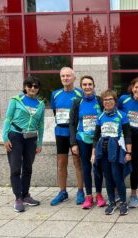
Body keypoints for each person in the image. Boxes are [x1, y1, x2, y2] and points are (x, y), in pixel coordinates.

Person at [2, 76, 45, 212]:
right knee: (15, 168)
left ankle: (26, 195)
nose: (33, 88)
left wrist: (39, 143)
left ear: (38, 89)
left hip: (31, 138)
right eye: (30, 85)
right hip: (15, 136)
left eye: (35, 86)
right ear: (25, 87)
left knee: (28, 167)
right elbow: (8, 119)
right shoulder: (16, 100)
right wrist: (4, 138)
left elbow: (41, 125)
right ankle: (18, 198)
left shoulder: (41, 105)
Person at [91, 89, 132, 216]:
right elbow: (96, 136)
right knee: (107, 177)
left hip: (117, 150)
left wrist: (128, 153)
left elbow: (128, 136)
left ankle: (124, 202)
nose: (107, 102)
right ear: (102, 102)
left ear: (115, 101)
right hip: (103, 151)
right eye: (105, 100)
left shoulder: (122, 115)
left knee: (117, 176)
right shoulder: (100, 116)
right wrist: (93, 154)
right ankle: (112, 202)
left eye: (110, 99)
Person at [69, 76, 106, 209]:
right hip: (82, 140)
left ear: (94, 85)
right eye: (84, 84)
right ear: (81, 86)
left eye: (90, 84)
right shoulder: (77, 102)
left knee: (97, 167)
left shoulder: (100, 101)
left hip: (97, 140)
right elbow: (72, 124)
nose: (87, 87)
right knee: (85, 167)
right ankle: (89, 196)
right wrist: (73, 143)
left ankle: (99, 194)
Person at [50, 67, 84, 206]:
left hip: (75, 133)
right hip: (60, 132)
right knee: (61, 163)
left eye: (68, 76)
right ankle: (63, 192)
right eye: (63, 76)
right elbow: (54, 112)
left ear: (74, 78)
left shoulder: (80, 93)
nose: (65, 78)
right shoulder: (55, 94)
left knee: (77, 162)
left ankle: (81, 191)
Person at [117, 77, 138, 208]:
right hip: (123, 137)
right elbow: (117, 114)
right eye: (136, 87)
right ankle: (117, 192)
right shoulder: (123, 99)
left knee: (134, 166)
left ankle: (134, 195)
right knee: (119, 164)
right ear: (132, 87)